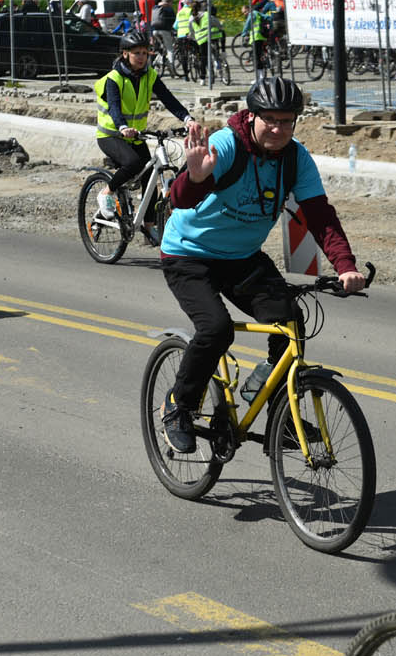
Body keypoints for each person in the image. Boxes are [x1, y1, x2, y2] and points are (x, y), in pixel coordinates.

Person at [158, 77, 365, 453]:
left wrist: (345, 264)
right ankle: (178, 407)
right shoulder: (226, 145)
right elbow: (181, 200)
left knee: (290, 322)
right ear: (251, 115)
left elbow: (320, 216)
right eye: (269, 119)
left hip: (241, 258)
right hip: (188, 253)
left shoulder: (295, 158)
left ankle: (275, 408)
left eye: (287, 121)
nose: (278, 128)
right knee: (217, 329)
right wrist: (196, 176)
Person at [93, 30, 202, 224]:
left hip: (136, 136)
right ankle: (106, 192)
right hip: (111, 135)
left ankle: (149, 225)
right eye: (137, 53)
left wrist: (187, 118)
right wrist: (122, 127)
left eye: (145, 53)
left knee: (150, 176)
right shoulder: (114, 78)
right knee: (134, 163)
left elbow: (168, 99)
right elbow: (115, 108)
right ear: (125, 53)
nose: (142, 57)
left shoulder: (149, 75)